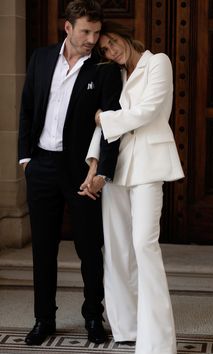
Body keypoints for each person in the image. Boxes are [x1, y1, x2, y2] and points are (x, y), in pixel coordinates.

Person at [18, 2, 122, 346]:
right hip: (42, 166)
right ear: (68, 28)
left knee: (89, 246)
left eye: (96, 31)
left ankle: (94, 315)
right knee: (43, 248)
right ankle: (43, 318)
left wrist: (102, 173)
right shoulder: (41, 58)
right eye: (85, 31)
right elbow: (28, 108)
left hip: (81, 171)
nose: (92, 39)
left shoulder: (104, 69)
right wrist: (25, 160)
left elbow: (111, 126)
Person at [81, 21, 184, 354]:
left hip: (149, 164)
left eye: (111, 42)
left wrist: (103, 119)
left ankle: (158, 341)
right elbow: (110, 121)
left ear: (124, 35)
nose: (111, 51)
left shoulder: (159, 62)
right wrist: (94, 163)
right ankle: (127, 327)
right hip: (118, 168)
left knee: (144, 244)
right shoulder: (116, 75)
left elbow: (149, 111)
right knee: (117, 248)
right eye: (105, 50)